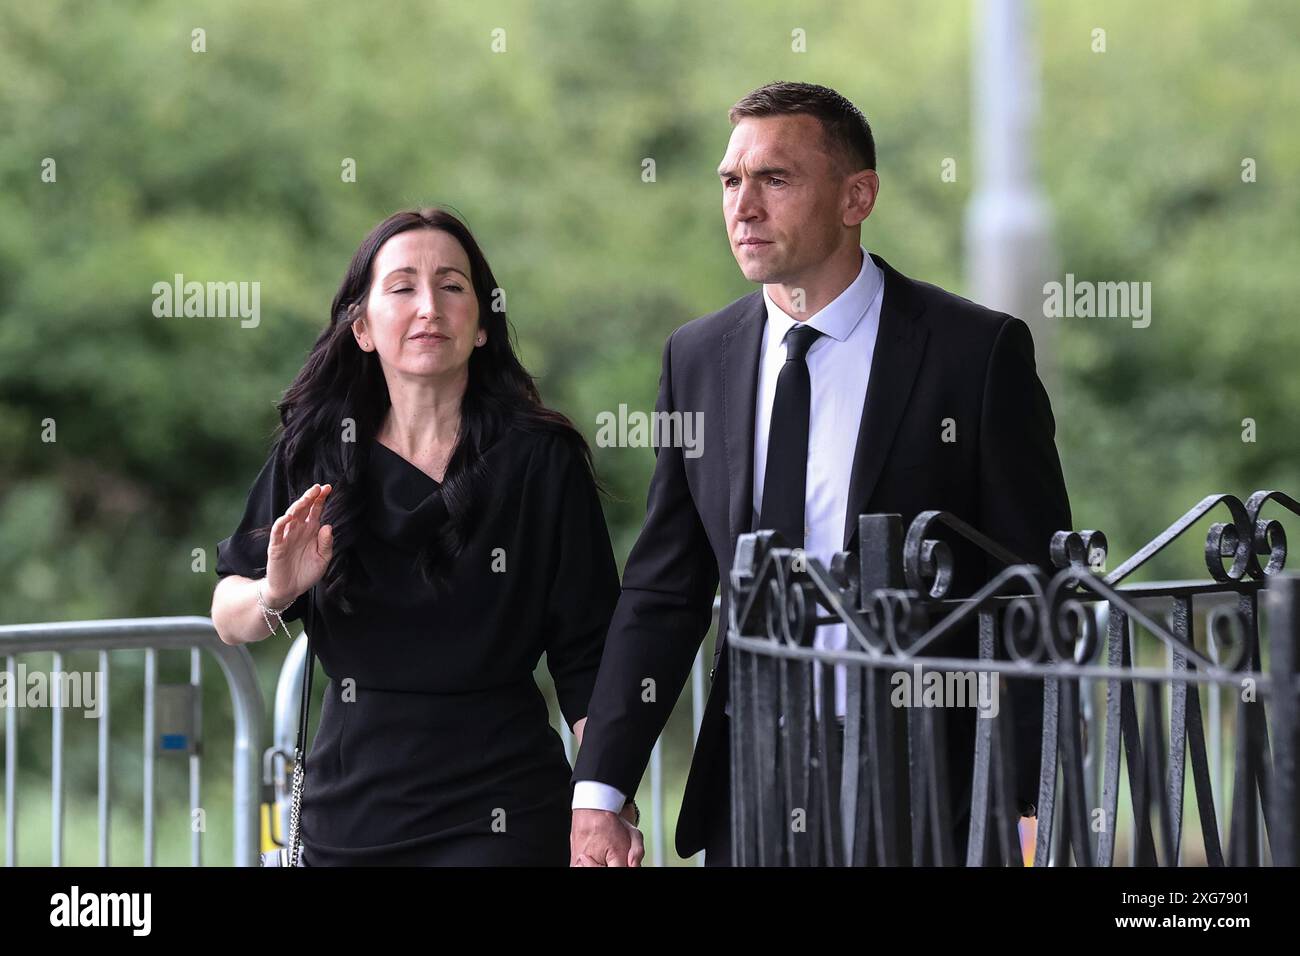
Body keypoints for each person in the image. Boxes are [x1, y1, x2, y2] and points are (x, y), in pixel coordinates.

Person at [569, 82, 1071, 867]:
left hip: (929, 784)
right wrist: (599, 794)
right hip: (751, 780)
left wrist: (1029, 797)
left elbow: (1029, 585)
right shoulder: (696, 359)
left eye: (775, 179)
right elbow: (666, 588)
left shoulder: (974, 354)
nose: (744, 205)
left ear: (856, 196)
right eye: (731, 181)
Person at [211, 207, 636, 866]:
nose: (429, 307)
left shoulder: (539, 459)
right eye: (403, 286)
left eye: (453, 286)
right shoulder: (319, 454)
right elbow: (227, 615)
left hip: (506, 808)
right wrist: (277, 589)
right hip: (351, 812)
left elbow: (587, 654)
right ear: (362, 327)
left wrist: (607, 804)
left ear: (484, 324)